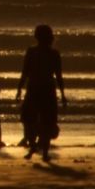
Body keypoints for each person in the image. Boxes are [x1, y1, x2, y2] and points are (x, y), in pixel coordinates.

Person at [15, 24, 67, 162]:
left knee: (29, 119)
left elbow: (25, 72)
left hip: (33, 88)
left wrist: (19, 89)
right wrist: (63, 94)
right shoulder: (54, 53)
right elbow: (58, 76)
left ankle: (33, 146)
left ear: (36, 36)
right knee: (47, 121)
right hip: (48, 89)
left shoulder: (31, 51)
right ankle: (44, 153)